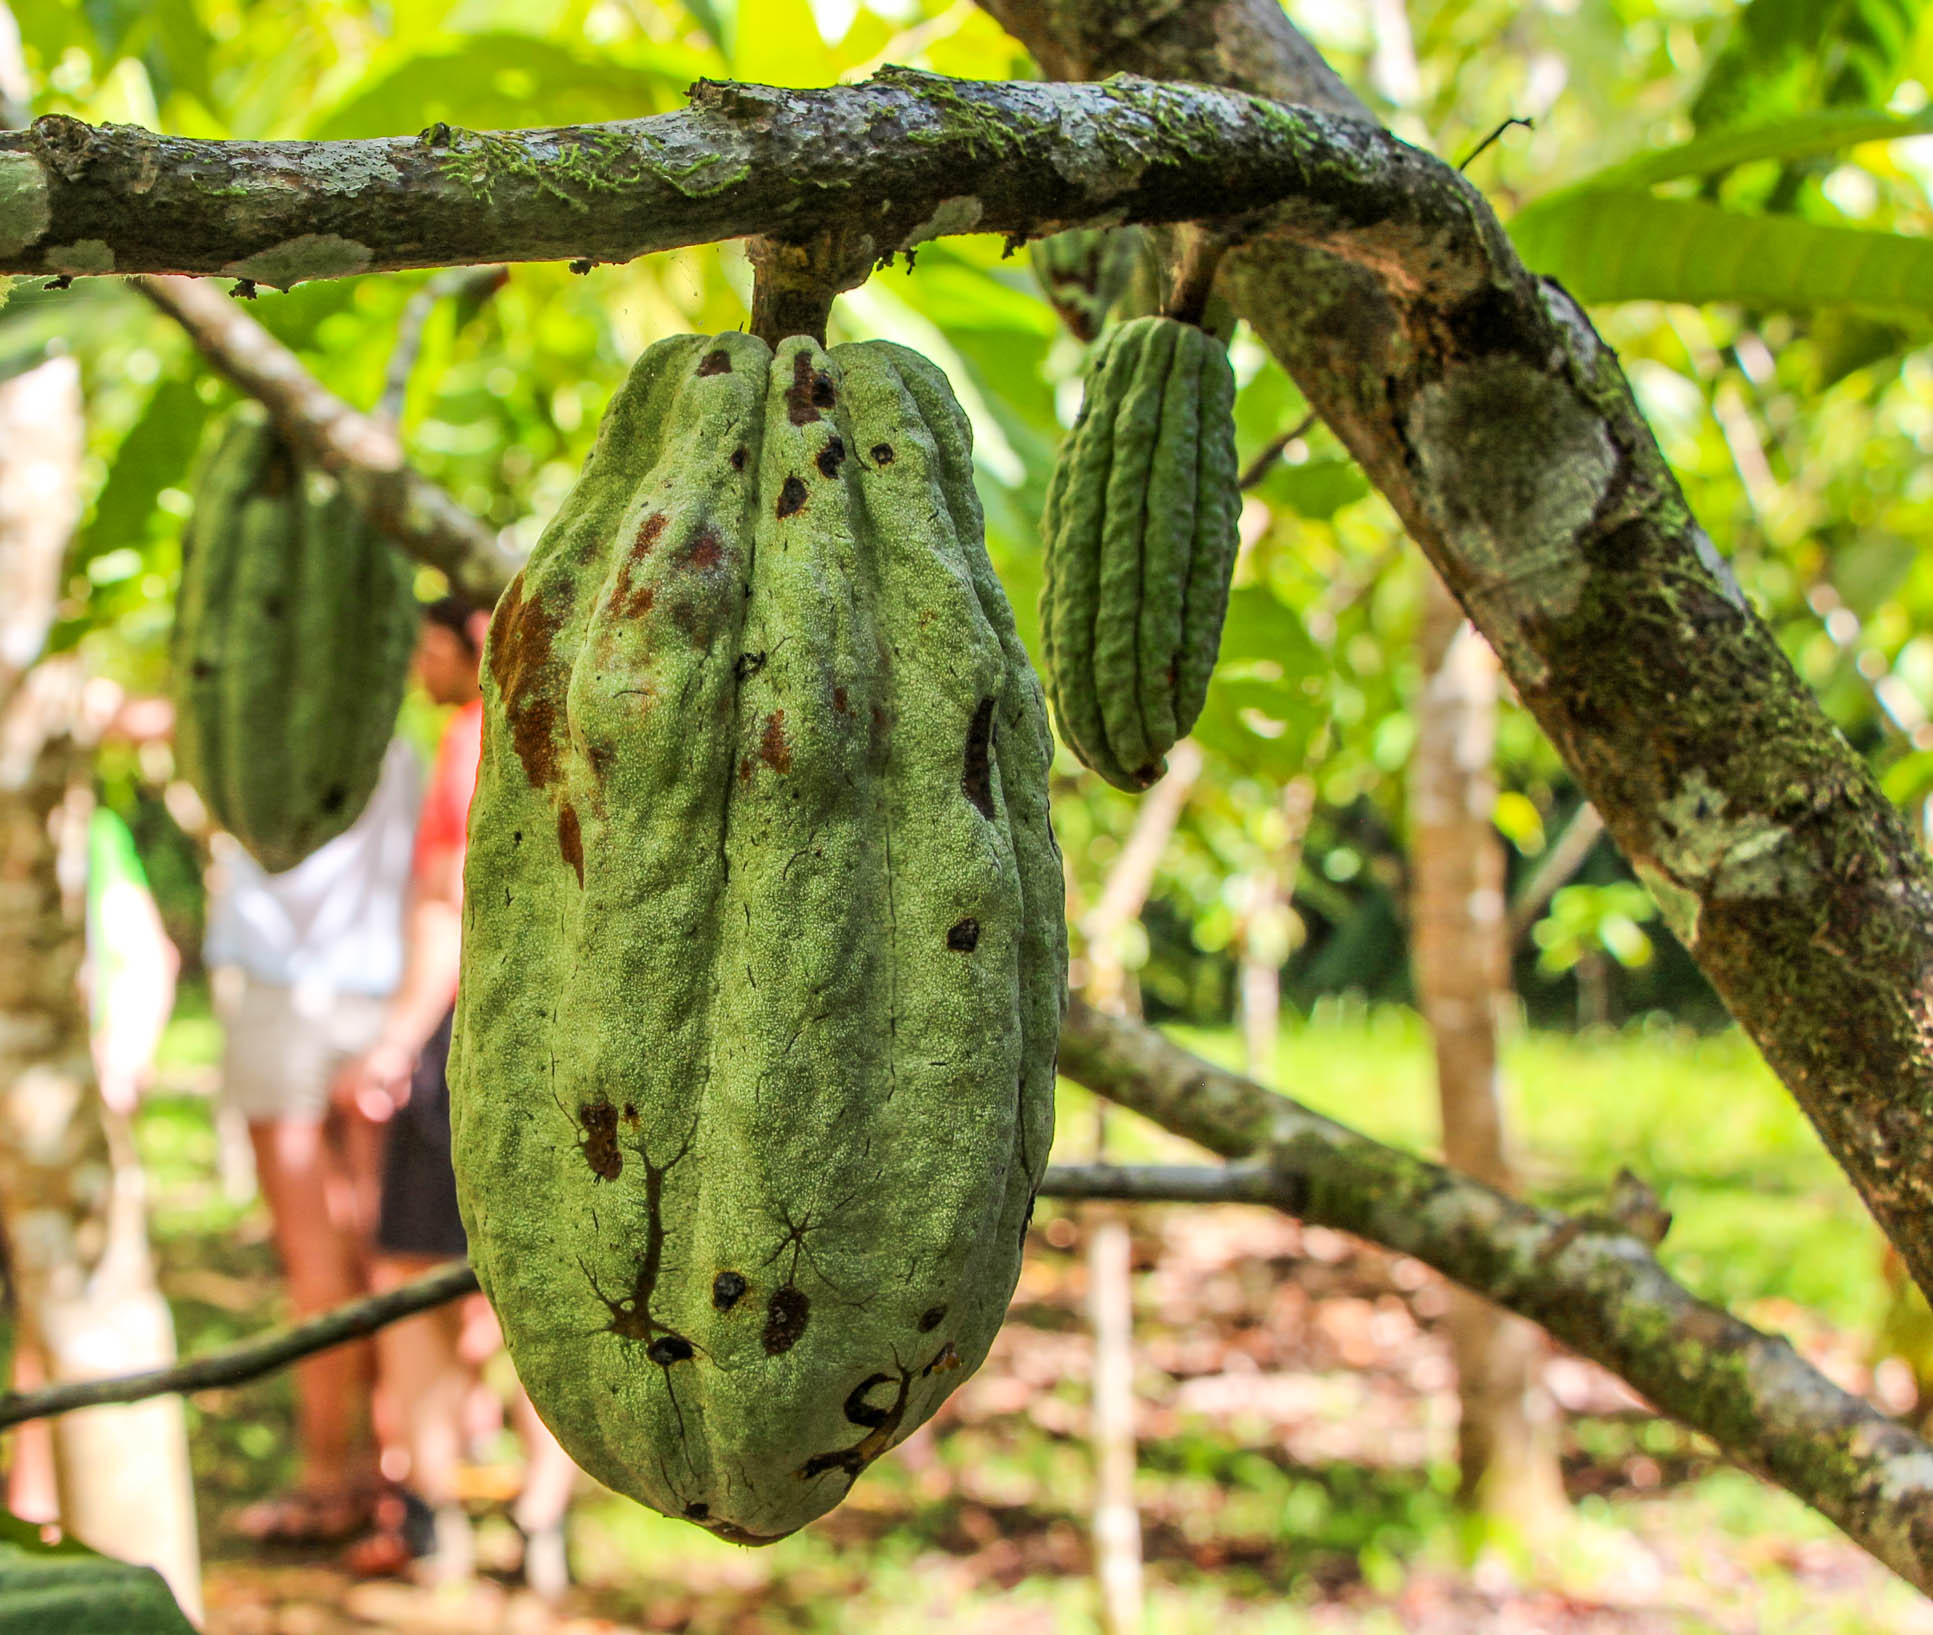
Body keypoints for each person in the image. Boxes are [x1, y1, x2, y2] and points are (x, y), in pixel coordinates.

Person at [334, 594, 577, 1595]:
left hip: (470, 1045)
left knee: (410, 1278)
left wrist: (392, 1043)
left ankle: (433, 1514)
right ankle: (543, 1522)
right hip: (580, 1052)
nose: (417, 671)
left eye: (427, 649)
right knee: (553, 1291)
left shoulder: (474, 737)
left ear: (474, 639)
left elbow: (445, 906)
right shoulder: (592, 728)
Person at [211, 733, 421, 1543]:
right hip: (375, 1004)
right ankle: (393, 1474)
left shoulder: (254, 746)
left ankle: (326, 1476)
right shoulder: (392, 746)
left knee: (315, 1257)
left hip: (282, 1007)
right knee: (379, 1247)